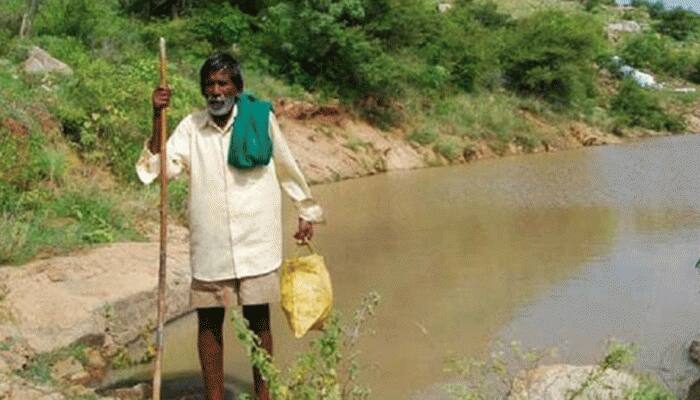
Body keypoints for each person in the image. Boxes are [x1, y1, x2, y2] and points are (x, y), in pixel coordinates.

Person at [135, 52, 324, 400]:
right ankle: (214, 397)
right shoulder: (191, 128)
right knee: (209, 321)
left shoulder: (259, 119)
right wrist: (156, 115)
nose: (216, 91)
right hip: (212, 245)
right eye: (209, 85)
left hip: (257, 241)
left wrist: (306, 210)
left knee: (259, 320)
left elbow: (286, 164)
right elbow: (160, 169)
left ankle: (263, 393)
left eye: (223, 83)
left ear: (237, 87)